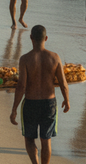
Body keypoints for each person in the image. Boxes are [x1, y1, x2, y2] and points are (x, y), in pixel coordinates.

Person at [9, 25, 70, 164]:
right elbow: (63, 83)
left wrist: (14, 109)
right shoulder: (55, 57)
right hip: (49, 104)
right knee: (46, 140)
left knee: (29, 139)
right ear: (46, 38)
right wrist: (67, 100)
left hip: (30, 103)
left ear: (31, 37)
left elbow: (21, 86)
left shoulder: (25, 59)